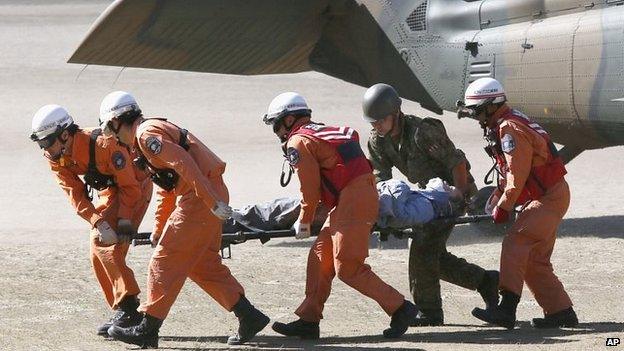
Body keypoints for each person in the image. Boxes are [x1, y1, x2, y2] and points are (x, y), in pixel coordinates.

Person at [98, 91, 269, 347]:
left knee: (162, 262)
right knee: (202, 265)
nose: (116, 140)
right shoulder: (147, 135)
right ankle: (249, 315)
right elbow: (167, 187)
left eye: (113, 132)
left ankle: (148, 328)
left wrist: (211, 202)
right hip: (207, 194)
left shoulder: (145, 135)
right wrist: (159, 228)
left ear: (116, 121)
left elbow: (185, 164)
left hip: (201, 199)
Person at [263, 92, 416, 339]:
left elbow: (309, 191)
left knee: (348, 268)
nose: (277, 131)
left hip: (353, 200)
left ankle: (400, 307)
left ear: (289, 120)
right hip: (354, 197)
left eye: (276, 125)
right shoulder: (323, 132)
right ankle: (309, 320)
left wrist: (304, 221)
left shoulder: (298, 142)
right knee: (320, 258)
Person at [363, 83, 499, 326]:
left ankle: (429, 312)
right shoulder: (378, 140)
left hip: (453, 190)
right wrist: (386, 212)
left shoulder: (422, 131)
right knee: (435, 257)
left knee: (423, 250)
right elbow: (380, 178)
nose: (377, 126)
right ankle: (485, 281)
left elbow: (455, 162)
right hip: (425, 196)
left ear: (395, 113)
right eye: (373, 122)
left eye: (381, 121)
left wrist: (459, 194)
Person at [458, 77, 578, 329]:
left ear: (491, 106)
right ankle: (561, 312)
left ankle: (507, 309)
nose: (478, 118)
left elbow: (517, 173)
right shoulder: (509, 121)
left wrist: (503, 206)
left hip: (547, 199)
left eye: (479, 112)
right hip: (551, 195)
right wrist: (496, 199)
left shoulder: (509, 129)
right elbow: (511, 172)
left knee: (515, 241)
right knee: (534, 259)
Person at [30, 104, 152, 335]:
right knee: (96, 250)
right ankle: (122, 308)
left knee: (105, 245)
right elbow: (74, 195)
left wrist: (125, 221)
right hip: (110, 192)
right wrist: (98, 221)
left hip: (134, 190)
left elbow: (130, 188)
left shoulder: (104, 144)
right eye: (40, 143)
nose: (44, 148)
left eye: (46, 142)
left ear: (65, 134)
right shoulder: (56, 156)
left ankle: (129, 309)